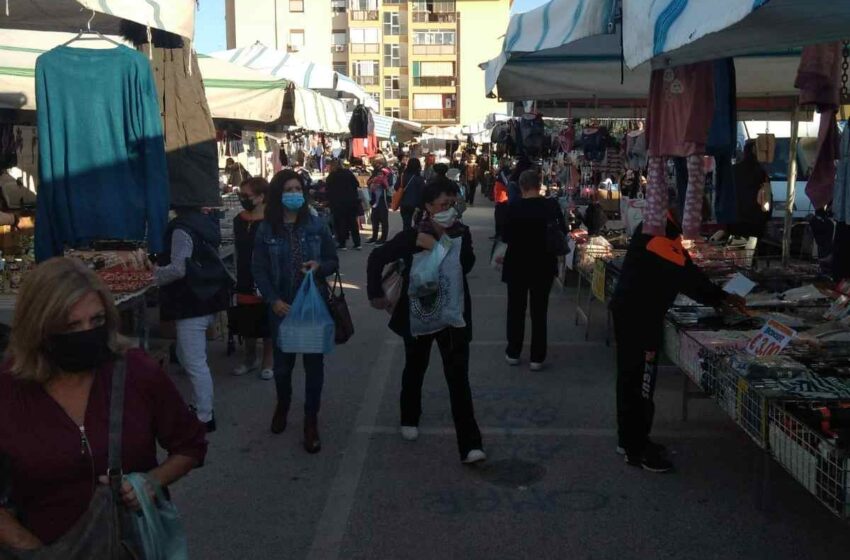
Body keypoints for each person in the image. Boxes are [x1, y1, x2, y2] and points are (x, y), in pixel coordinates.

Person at [0, 257, 206, 548]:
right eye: (71, 325)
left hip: (128, 547)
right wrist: (32, 551)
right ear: (38, 328)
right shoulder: (9, 389)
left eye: (96, 320)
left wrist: (152, 482)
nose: (87, 333)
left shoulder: (137, 372)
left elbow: (191, 445)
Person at [609, 196, 747, 473]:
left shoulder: (662, 228)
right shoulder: (659, 234)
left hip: (635, 312)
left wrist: (719, 296)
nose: (697, 229)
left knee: (631, 380)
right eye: (698, 223)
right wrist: (720, 298)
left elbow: (686, 269)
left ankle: (630, 441)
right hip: (638, 317)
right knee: (639, 383)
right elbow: (686, 276)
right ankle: (637, 449)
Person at [366, 176, 485, 465]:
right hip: (418, 317)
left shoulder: (461, 232)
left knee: (458, 379)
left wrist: (440, 243)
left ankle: (470, 444)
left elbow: (467, 264)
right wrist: (375, 294)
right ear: (429, 207)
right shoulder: (411, 236)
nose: (450, 209)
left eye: (453, 203)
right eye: (443, 204)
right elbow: (376, 258)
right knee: (415, 367)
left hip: (453, 317)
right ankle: (409, 416)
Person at [252, 170, 339, 453]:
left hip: (312, 305)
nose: (294, 193)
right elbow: (259, 269)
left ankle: (310, 419)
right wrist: (272, 300)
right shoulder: (266, 229)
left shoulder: (316, 224)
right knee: (282, 367)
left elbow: (332, 260)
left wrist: (320, 266)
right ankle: (283, 404)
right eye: (288, 189)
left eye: (298, 188)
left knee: (314, 367)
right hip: (282, 308)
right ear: (278, 194)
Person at [156, 207, 231, 432]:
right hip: (207, 297)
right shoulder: (204, 222)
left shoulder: (181, 229)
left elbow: (178, 269)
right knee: (186, 355)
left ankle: (204, 416)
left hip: (190, 302)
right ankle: (201, 408)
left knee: (195, 362)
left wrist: (153, 275)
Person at [502, 170, 566, 371]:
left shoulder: (512, 207)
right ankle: (537, 357)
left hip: (516, 264)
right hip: (543, 265)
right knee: (539, 311)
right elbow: (562, 231)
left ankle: (513, 351)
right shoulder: (551, 206)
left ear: (521, 186)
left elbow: (504, 235)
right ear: (539, 185)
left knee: (515, 309)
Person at [231, 177, 274, 380]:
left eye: (246, 195)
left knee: (267, 321)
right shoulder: (238, 220)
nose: (242, 199)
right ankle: (249, 359)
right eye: (241, 195)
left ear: (261, 196)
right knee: (247, 320)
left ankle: (268, 360)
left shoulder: (272, 220)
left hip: (266, 276)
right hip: (244, 276)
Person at [325, 159, 362, 251]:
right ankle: (357, 243)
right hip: (351, 202)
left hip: (338, 204)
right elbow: (356, 184)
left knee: (340, 223)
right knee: (353, 223)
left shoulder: (331, 176)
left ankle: (342, 244)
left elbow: (328, 191)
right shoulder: (348, 173)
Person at [367, 160, 391, 245]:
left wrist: (382, 183)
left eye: (377, 162)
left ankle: (383, 238)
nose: (376, 164)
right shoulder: (375, 172)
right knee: (374, 218)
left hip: (383, 199)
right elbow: (368, 182)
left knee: (383, 219)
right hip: (374, 199)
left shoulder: (387, 172)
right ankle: (374, 237)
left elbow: (390, 186)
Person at [400, 157, 425, 231]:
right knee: (417, 224)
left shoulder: (403, 176)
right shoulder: (420, 178)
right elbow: (423, 192)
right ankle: (414, 240)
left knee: (406, 224)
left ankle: (406, 239)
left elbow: (396, 187)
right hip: (416, 205)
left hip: (404, 203)